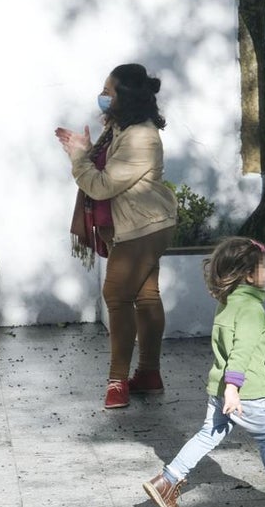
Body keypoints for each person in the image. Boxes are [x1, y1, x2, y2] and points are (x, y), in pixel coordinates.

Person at [142, 237, 265, 507]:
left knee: (207, 435)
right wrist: (234, 389)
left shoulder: (230, 303)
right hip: (247, 391)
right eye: (264, 268)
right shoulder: (252, 308)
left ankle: (167, 481)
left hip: (221, 388)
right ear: (249, 274)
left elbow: (253, 335)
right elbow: (241, 350)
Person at [55, 63, 178, 409]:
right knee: (146, 294)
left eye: (108, 91)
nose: (103, 96)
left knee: (116, 295)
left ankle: (117, 382)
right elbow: (109, 170)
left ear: (125, 96)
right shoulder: (124, 128)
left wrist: (79, 159)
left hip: (143, 225)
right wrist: (88, 148)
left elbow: (104, 183)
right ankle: (149, 375)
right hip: (143, 222)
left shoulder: (141, 136)